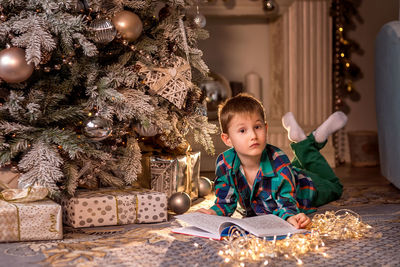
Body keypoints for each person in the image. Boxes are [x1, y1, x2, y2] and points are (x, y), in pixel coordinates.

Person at [197, 93, 347, 229]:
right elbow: (225, 201)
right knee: (289, 168)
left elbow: (285, 200)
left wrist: (290, 216)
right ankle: (309, 141)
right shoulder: (225, 163)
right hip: (287, 173)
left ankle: (308, 144)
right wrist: (212, 212)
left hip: (306, 185)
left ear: (266, 128)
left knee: (335, 186)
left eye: (257, 127)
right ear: (227, 139)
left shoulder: (278, 159)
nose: (253, 135)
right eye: (243, 131)